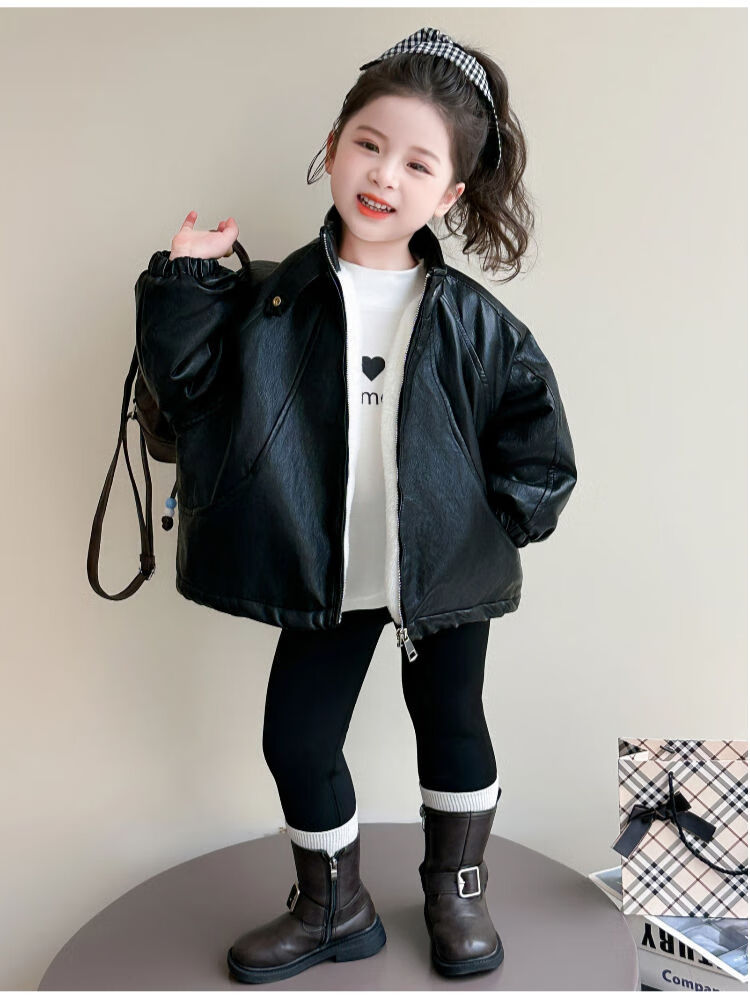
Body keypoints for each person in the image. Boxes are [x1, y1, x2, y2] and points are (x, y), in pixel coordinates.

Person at [135, 25, 577, 984]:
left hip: (442, 577)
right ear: (333, 146)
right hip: (325, 572)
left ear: (449, 194)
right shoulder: (264, 302)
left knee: (452, 722)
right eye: (369, 144)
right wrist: (186, 285)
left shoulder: (477, 322)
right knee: (296, 738)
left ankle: (458, 894)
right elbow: (183, 406)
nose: (385, 174)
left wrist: (488, 530)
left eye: (418, 163)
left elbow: (539, 446)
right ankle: (334, 907)